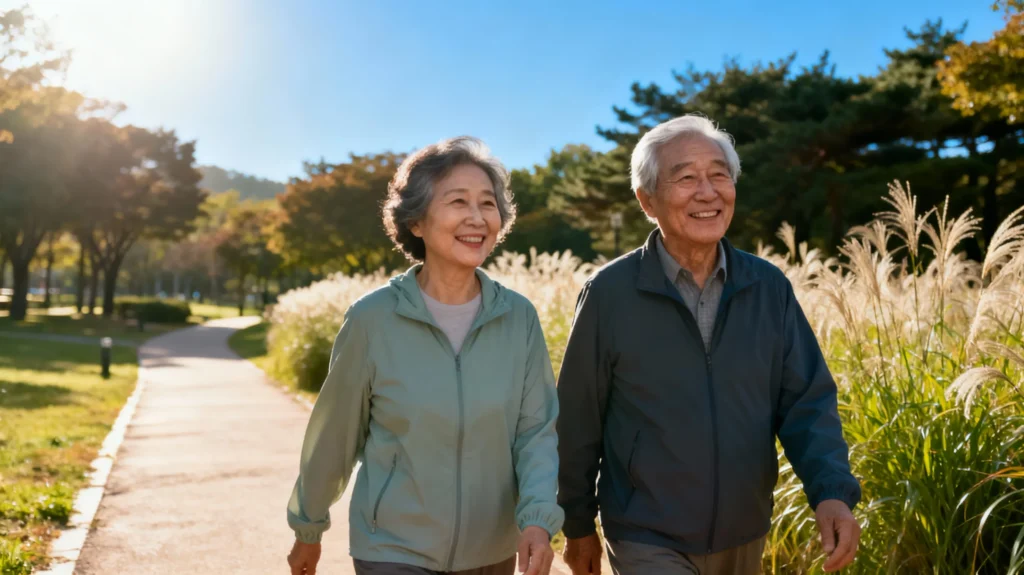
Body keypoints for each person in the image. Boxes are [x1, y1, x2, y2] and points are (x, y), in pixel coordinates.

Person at [556, 115, 862, 575]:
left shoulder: (768, 287)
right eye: (686, 178)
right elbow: (578, 416)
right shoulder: (609, 293)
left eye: (720, 174)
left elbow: (807, 402)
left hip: (745, 532)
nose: (708, 192)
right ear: (646, 200)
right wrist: (577, 523)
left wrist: (831, 492)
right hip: (644, 533)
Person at [286, 136, 563, 575]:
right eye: (458, 201)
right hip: (392, 549)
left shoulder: (519, 318)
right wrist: (308, 528)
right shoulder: (372, 319)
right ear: (416, 221)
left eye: (487, 204)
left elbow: (536, 434)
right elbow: (335, 435)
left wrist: (537, 522)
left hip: (491, 552)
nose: (477, 218)